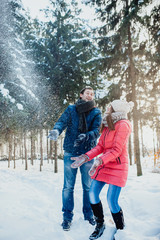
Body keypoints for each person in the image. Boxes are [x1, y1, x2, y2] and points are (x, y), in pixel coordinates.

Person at [71, 99, 134, 240]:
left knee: (112, 200)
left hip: (118, 166)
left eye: (109, 107)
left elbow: (117, 150)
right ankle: (100, 225)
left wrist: (99, 160)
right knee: (92, 194)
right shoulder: (108, 124)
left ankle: (120, 229)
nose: (106, 108)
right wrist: (85, 157)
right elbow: (100, 147)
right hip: (104, 164)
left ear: (116, 109)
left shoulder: (123, 124)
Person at [48, 86, 102, 231]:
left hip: (87, 154)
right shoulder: (71, 109)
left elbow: (97, 131)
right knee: (68, 187)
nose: (90, 96)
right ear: (81, 95)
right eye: (87, 93)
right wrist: (56, 130)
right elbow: (62, 122)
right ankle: (67, 218)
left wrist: (87, 136)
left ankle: (89, 215)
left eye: (92, 94)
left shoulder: (96, 112)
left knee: (88, 187)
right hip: (71, 152)